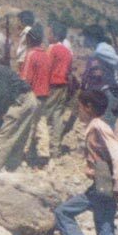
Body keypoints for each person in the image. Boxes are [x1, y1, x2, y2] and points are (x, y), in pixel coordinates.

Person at [53, 90, 118, 235]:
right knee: (106, 233)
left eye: (79, 107)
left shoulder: (98, 127)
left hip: (104, 187)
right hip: (104, 186)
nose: (77, 111)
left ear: (88, 107)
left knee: (63, 212)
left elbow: (117, 155)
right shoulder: (98, 126)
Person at [79, 24, 118, 130]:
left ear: (92, 37)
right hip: (111, 90)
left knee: (106, 125)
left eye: (86, 37)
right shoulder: (103, 48)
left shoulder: (101, 50)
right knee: (106, 124)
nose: (85, 40)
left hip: (112, 90)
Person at [21, 24, 51, 164]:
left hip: (33, 94)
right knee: (41, 123)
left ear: (29, 40)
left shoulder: (31, 55)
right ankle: (44, 152)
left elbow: (26, 78)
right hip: (44, 94)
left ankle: (24, 151)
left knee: (28, 124)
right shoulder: (46, 55)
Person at [46, 21, 73, 158]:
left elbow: (47, 67)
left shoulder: (52, 49)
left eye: (49, 33)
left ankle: (41, 147)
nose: (47, 36)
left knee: (45, 115)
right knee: (58, 117)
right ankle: (55, 149)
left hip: (53, 86)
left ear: (55, 36)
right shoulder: (68, 51)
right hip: (64, 86)